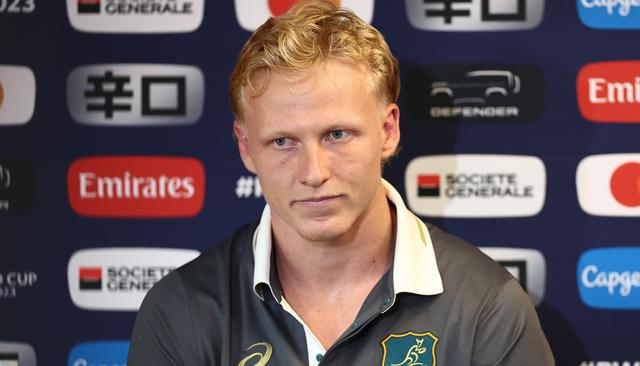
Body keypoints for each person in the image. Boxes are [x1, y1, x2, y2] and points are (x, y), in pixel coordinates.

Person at [128, 1, 555, 365]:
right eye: (282, 142)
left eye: (337, 135)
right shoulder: (180, 309)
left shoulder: (487, 308)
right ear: (245, 147)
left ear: (388, 131)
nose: (314, 172)